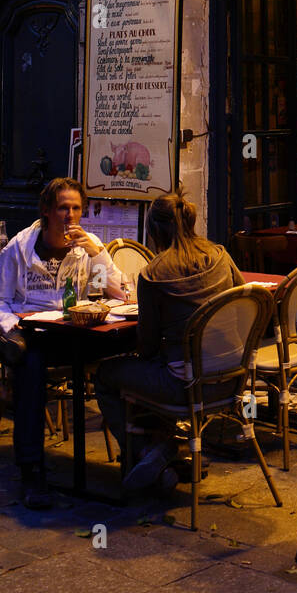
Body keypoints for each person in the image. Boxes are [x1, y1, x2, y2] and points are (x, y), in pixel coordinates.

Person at [0, 177, 126, 508]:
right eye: (63, 208)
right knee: (30, 366)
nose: (70, 215)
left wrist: (99, 256)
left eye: (76, 208)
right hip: (33, 337)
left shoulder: (88, 245)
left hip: (73, 332)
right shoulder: (20, 249)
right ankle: (32, 470)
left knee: (130, 352)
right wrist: (14, 325)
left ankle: (149, 451)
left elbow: (122, 293)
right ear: (47, 211)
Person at [94, 186, 244, 490]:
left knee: (107, 375)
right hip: (232, 382)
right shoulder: (221, 255)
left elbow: (146, 348)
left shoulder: (152, 275)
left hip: (184, 389)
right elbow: (241, 300)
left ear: (154, 231)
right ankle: (165, 455)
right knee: (157, 368)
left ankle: (147, 452)